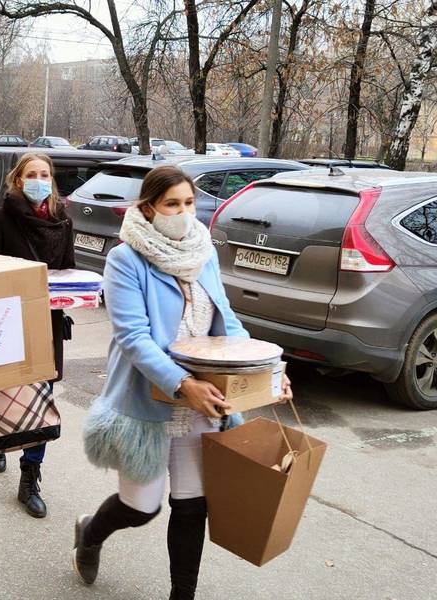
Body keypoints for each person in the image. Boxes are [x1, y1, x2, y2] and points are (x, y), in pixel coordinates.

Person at [72, 165, 293, 600]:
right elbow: (133, 337)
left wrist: (269, 375)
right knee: (140, 508)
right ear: (148, 207)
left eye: (189, 202)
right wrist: (180, 383)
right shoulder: (125, 259)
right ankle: (90, 533)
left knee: (193, 506)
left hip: (203, 398)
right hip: (148, 399)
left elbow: (226, 322)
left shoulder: (203, 251)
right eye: (172, 204)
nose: (182, 211)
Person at [0, 152, 75, 518]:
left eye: (45, 174)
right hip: (5, 321)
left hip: (47, 323)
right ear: (18, 180)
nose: (39, 180)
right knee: (2, 391)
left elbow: (69, 273)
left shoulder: (63, 221)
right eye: (31, 174)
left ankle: (29, 475)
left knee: (42, 401)